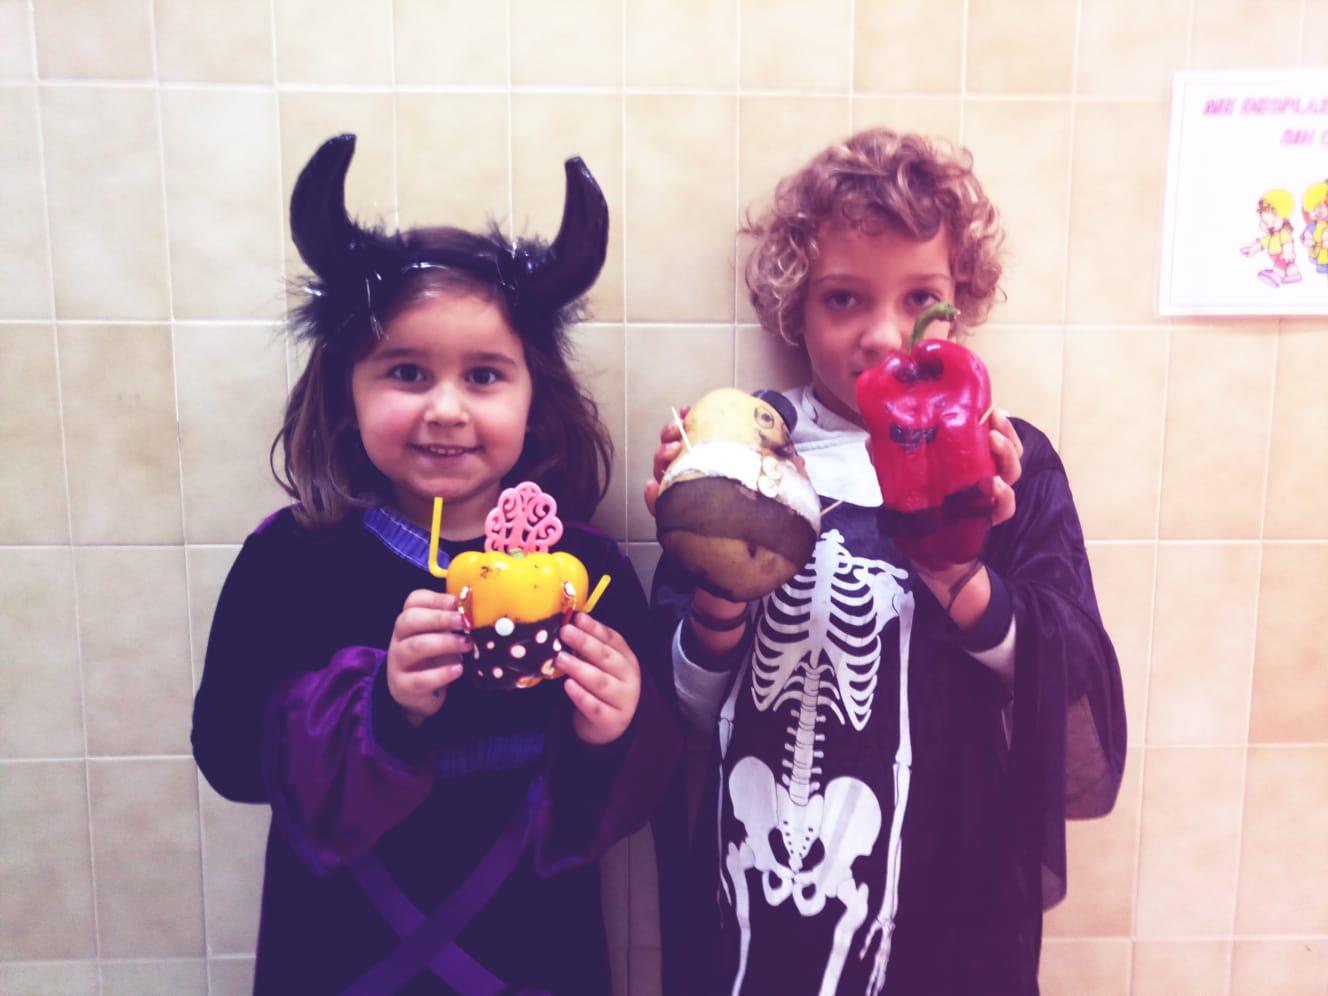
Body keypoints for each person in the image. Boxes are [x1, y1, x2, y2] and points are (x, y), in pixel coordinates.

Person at [192, 132, 681, 995]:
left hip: (537, 960)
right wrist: (375, 710)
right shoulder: (291, 562)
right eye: (407, 372)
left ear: (535, 395)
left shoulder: (588, 570)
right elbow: (228, 757)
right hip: (339, 956)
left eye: (485, 376)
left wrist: (614, 730)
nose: (447, 409)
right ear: (347, 387)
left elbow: (639, 795)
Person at [645, 128, 1126, 995]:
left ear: (959, 302)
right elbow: (681, 711)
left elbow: (1071, 687)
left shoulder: (1006, 461)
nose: (883, 336)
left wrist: (959, 574)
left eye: (920, 299)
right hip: (760, 893)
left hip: (946, 889)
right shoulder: (745, 449)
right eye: (843, 299)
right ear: (794, 308)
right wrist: (713, 563)